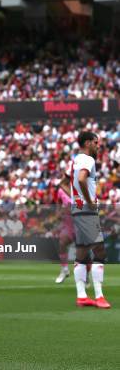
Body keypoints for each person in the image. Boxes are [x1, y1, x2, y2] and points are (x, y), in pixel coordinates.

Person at [69, 132, 110, 309]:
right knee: (99, 250)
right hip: (86, 209)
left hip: (77, 208)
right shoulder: (88, 159)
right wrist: (90, 201)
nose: (98, 145)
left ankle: (81, 296)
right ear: (87, 143)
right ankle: (99, 296)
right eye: (95, 142)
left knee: (83, 252)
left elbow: (68, 180)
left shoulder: (76, 159)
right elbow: (81, 179)